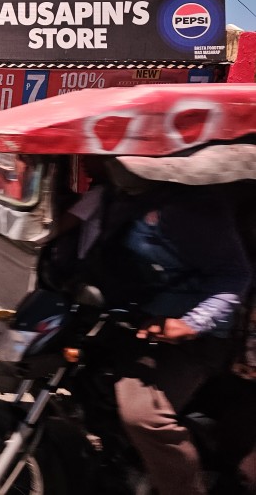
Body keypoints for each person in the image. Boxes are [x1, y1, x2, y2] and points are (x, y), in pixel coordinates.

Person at [99, 183, 252, 495]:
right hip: (139, 319)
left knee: (142, 415)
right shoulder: (124, 197)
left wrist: (191, 323)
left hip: (196, 338)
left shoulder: (189, 209)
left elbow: (235, 275)